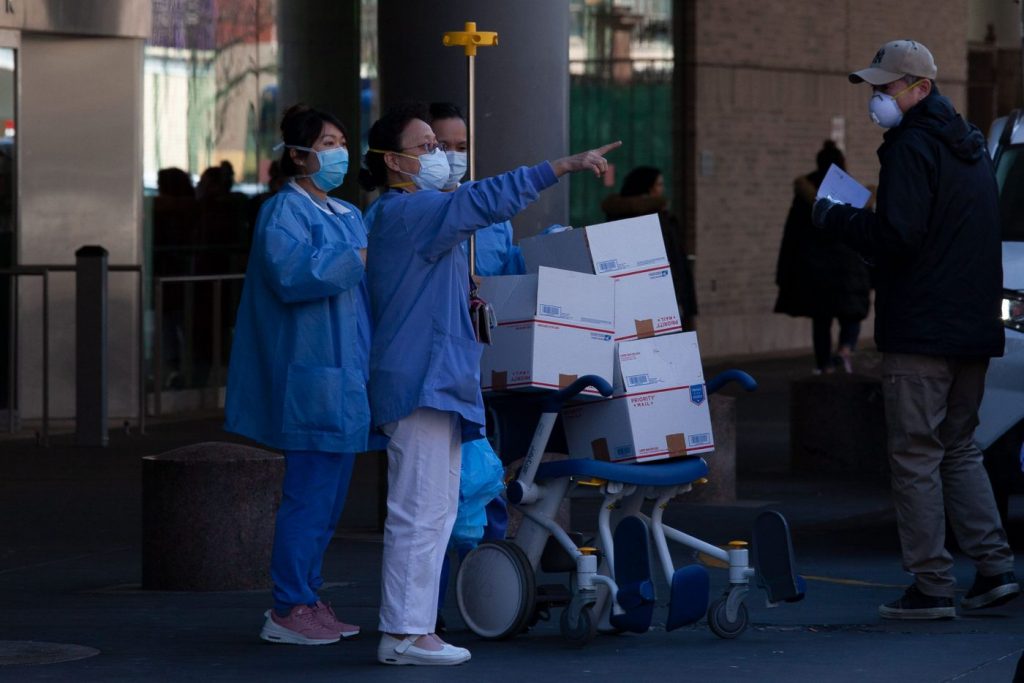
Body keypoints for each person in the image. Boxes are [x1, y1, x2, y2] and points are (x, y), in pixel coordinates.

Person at [360, 102, 619, 666]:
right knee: (420, 510)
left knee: (431, 510)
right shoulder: (411, 213)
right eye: (427, 147)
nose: (441, 156)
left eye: (442, 146)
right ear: (393, 161)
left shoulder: (408, 216)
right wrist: (562, 165)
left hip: (436, 377)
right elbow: (483, 200)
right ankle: (406, 632)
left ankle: (413, 628)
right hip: (423, 378)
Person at [813, 39, 1019, 619]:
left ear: (920, 88)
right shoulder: (971, 146)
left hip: (923, 330)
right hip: (972, 330)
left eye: (886, 88)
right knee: (959, 448)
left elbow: (899, 235)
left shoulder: (909, 146)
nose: (877, 99)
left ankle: (931, 585)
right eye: (875, 88)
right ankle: (994, 568)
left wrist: (837, 218)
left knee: (914, 456)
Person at [224, 104, 371, 645]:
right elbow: (291, 274)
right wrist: (355, 258)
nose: (338, 153)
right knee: (308, 495)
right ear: (298, 154)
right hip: (310, 373)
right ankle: (288, 607)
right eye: (327, 143)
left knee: (329, 501)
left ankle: (309, 596)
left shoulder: (346, 213)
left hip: (345, 373)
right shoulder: (284, 212)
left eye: (341, 142)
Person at [774, 140, 871, 374]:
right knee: (853, 311)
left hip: (815, 268)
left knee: (821, 319)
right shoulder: (851, 191)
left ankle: (824, 364)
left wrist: (785, 270)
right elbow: (864, 230)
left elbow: (792, 233)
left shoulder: (806, 194)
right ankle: (845, 349)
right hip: (848, 266)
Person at [601, 166, 698, 329]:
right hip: (659, 298)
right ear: (648, 187)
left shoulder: (616, 216)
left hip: (628, 299)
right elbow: (673, 260)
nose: (662, 189)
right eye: (659, 184)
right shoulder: (659, 219)